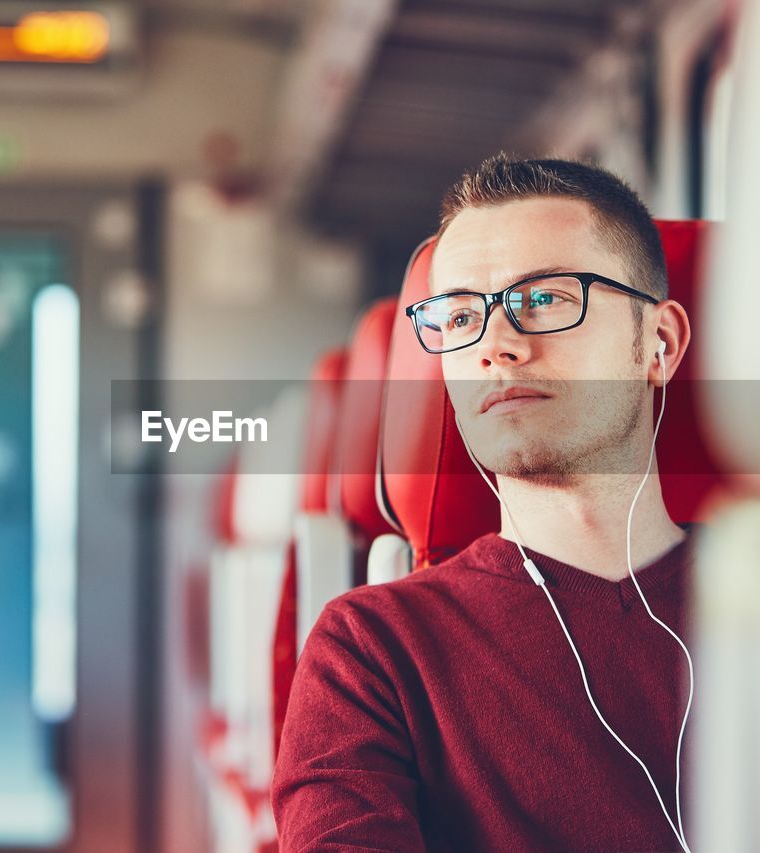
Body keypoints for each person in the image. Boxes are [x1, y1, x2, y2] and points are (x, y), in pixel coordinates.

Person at [271, 156, 696, 851]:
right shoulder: (373, 649)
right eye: (462, 314)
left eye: (547, 298)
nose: (496, 346)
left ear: (660, 342)